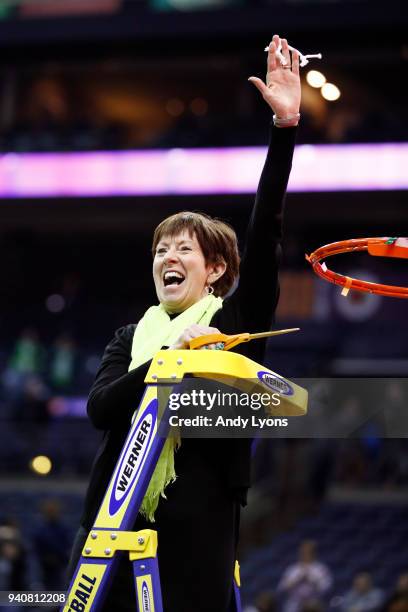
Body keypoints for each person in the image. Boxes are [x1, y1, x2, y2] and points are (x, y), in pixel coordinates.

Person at [66, 34, 301, 612]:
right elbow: (100, 409)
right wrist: (170, 357)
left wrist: (286, 128)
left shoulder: (236, 322)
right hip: (111, 521)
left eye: (184, 249)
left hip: (198, 521)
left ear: (216, 269)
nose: (168, 257)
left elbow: (266, 233)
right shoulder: (131, 337)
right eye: (160, 249)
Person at [278, 540, 332, 612]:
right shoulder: (293, 569)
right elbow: (282, 587)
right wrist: (297, 580)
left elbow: (326, 587)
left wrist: (311, 580)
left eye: (308, 552)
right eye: (302, 552)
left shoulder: (320, 568)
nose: (304, 554)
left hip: (313, 603)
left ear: (313, 553)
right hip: (295, 603)